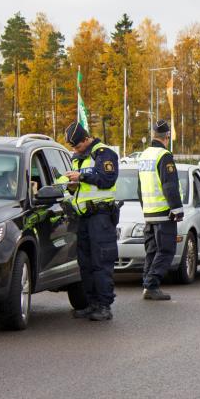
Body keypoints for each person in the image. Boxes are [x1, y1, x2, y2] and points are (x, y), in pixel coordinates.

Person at [64, 122, 119, 321]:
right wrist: (70, 185)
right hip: (84, 217)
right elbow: (78, 189)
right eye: (73, 147)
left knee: (101, 262)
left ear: (86, 139)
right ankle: (91, 303)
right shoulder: (77, 158)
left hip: (100, 217)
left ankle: (104, 306)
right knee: (85, 263)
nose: (75, 150)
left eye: (77, 146)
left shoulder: (103, 153)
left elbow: (107, 179)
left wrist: (82, 176)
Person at [137, 120, 183, 301]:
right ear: (167, 137)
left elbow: (139, 188)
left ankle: (147, 284)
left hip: (149, 213)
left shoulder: (144, 155)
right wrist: (177, 209)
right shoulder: (164, 155)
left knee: (152, 251)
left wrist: (145, 209)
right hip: (164, 212)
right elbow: (169, 185)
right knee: (166, 250)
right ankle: (151, 285)